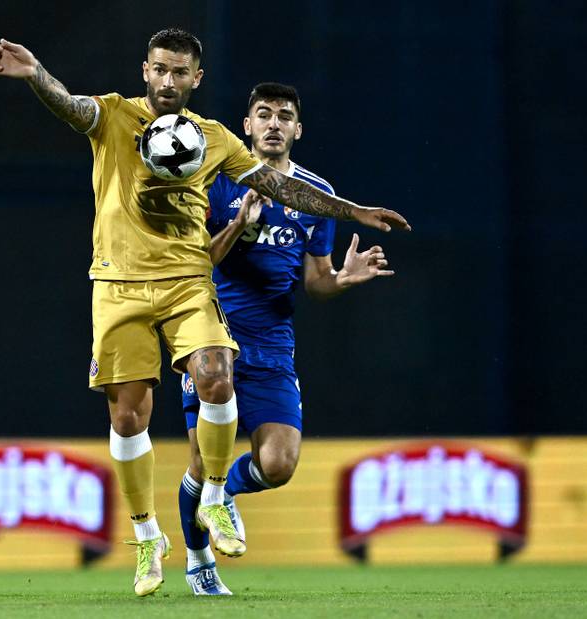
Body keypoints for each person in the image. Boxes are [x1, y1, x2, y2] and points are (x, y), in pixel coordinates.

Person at [0, 30, 409, 597]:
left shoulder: (214, 140)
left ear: (196, 79)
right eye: (160, 69)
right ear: (145, 70)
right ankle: (146, 537)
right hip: (118, 284)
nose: (168, 81)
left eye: (179, 72)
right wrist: (36, 74)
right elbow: (70, 103)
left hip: (188, 283)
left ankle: (214, 496)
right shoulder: (113, 117)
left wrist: (351, 210)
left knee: (215, 372)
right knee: (128, 420)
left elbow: (280, 187)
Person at [178, 83, 397, 595]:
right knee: (199, 461)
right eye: (263, 115)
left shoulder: (317, 196)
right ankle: (197, 559)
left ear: (298, 129)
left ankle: (220, 493)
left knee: (278, 464)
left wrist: (341, 279)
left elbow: (315, 281)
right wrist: (238, 227)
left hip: (274, 345)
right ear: (247, 126)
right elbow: (197, 262)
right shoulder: (216, 181)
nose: (273, 124)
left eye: (284, 116)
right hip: (214, 338)